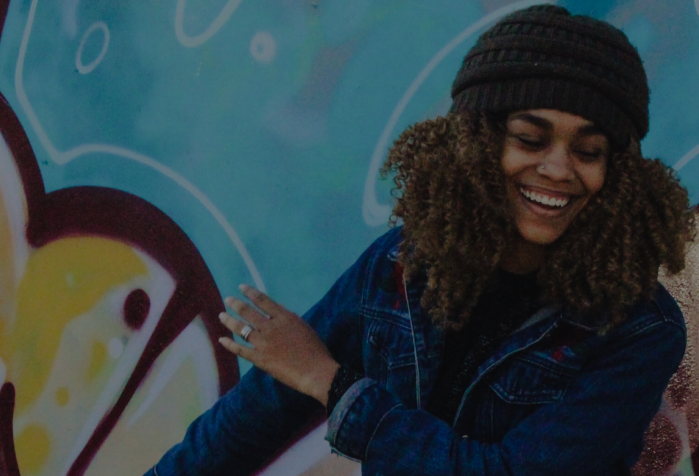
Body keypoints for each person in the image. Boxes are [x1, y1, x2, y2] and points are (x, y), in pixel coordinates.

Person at [146, 5, 695, 475]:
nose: (558, 168)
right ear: (477, 142)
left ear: (619, 174)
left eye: (589, 151)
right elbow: (253, 416)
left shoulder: (640, 330)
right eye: (529, 138)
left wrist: (332, 385)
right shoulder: (400, 267)